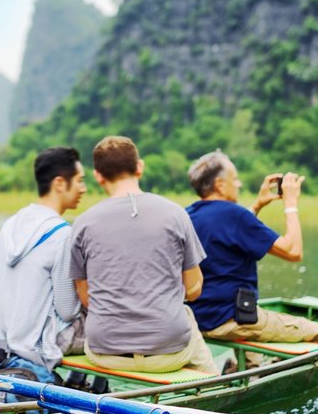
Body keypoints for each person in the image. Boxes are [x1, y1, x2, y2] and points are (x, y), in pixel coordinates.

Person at [70, 136, 219, 375]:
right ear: (140, 167)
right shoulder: (175, 214)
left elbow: (87, 298)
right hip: (168, 353)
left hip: (105, 353)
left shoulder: (82, 223)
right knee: (186, 314)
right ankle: (214, 384)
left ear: (98, 176)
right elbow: (194, 288)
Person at [184, 149, 318, 350]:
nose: (239, 184)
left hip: (196, 320)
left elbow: (226, 228)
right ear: (220, 185)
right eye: (235, 179)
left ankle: (249, 368)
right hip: (233, 320)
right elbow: (293, 251)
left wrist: (257, 205)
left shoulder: (187, 215)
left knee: (255, 351)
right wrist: (291, 203)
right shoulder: (235, 216)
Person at [0, 147, 87, 385]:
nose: (83, 189)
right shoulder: (61, 233)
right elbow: (67, 310)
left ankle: (77, 383)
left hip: (3, 348)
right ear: (60, 183)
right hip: (37, 348)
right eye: (80, 181)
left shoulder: (11, 224)